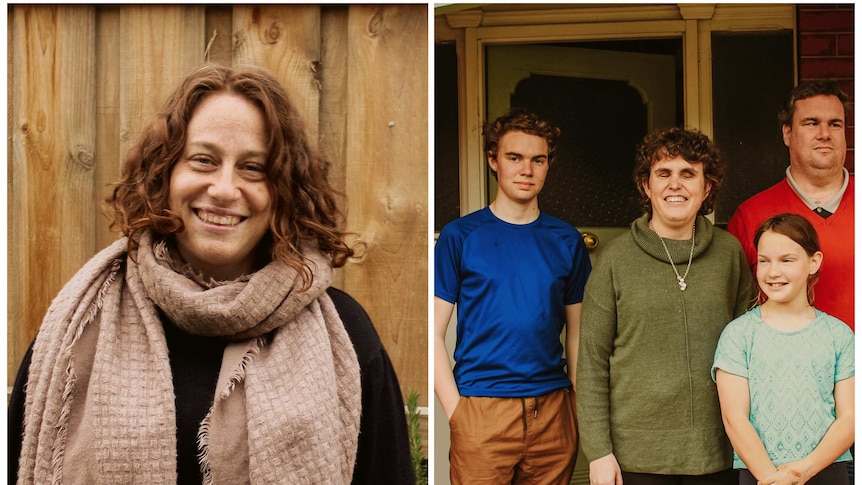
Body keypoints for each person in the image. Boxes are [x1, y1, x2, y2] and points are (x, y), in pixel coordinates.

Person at [9, 63, 414, 485]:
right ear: (165, 174)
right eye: (203, 160)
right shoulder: (78, 324)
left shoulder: (346, 333)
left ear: (284, 191)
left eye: (253, 168)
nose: (223, 189)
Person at [577, 127, 757, 485]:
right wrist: (598, 451)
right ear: (646, 185)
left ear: (707, 187)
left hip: (717, 449)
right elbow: (592, 364)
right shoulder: (615, 260)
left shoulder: (729, 254)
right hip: (636, 456)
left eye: (688, 173)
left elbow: (749, 352)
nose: (675, 184)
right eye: (664, 173)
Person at [434, 109, 591, 484]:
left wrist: (576, 407)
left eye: (538, 160)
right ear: (493, 160)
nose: (527, 170)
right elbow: (432, 334)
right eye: (514, 158)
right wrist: (457, 412)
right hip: (482, 409)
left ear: (548, 165)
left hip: (553, 408)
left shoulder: (566, 239)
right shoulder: (460, 237)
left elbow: (578, 336)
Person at [713, 213, 854, 485]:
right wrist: (771, 478)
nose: (773, 272)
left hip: (825, 470)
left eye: (787, 260)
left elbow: (849, 416)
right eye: (764, 261)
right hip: (760, 473)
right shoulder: (739, 335)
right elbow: (734, 418)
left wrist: (800, 472)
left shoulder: (839, 335)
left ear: (814, 262)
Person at [726, 81, 854, 332]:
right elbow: (736, 311)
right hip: (786, 369)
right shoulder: (750, 216)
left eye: (835, 124)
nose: (825, 134)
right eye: (811, 123)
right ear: (787, 133)